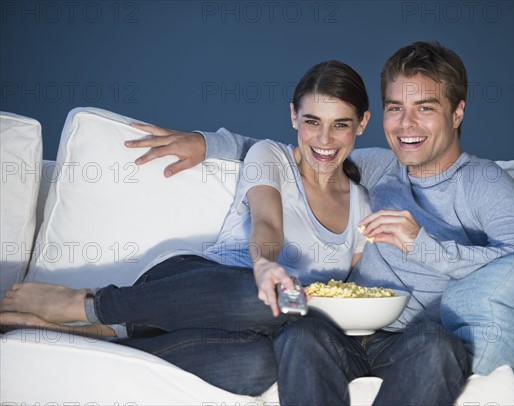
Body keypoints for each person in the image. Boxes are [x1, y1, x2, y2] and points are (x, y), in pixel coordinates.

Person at [103, 41, 514, 404]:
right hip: (337, 328)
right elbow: (306, 148)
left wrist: (422, 243)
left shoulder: (483, 182)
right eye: (395, 108)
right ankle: (102, 316)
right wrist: (209, 143)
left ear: (457, 112)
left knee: (440, 348)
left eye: (425, 107)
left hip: (410, 336)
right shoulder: (381, 166)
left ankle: (100, 316)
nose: (406, 125)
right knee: (298, 332)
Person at [0, 60, 374, 396]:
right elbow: (267, 220)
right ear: (294, 117)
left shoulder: (362, 204)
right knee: (272, 300)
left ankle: (90, 337)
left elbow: (356, 291)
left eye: (340, 125)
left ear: (362, 124)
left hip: (264, 327)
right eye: (312, 122)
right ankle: (88, 304)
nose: (324, 140)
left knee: (260, 363)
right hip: (203, 283)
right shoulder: (270, 155)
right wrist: (263, 265)